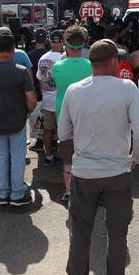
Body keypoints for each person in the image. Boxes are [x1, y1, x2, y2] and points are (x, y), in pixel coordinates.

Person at [60, 39, 139, 275]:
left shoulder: (74, 91)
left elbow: (64, 133)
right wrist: (134, 160)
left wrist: (73, 163)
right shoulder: (127, 88)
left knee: (80, 230)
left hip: (84, 172)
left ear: (91, 63)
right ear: (113, 62)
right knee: (117, 231)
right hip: (118, 171)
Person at [0, 34, 37, 206]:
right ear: (13, 50)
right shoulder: (21, 71)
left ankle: (3, 193)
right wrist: (27, 112)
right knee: (17, 158)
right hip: (17, 121)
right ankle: (17, 193)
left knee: (1, 157)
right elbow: (31, 99)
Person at [51, 26, 92, 206]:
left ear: (65, 45)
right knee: (89, 157)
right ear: (83, 45)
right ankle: (89, 192)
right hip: (88, 119)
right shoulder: (91, 66)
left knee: (68, 159)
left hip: (64, 119)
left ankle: (69, 192)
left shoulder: (57, 67)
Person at [36, 30, 64, 167]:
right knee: (65, 131)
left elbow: (39, 78)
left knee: (47, 130)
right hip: (62, 101)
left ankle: (48, 157)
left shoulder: (43, 58)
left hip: (47, 101)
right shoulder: (64, 58)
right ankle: (66, 159)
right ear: (62, 42)